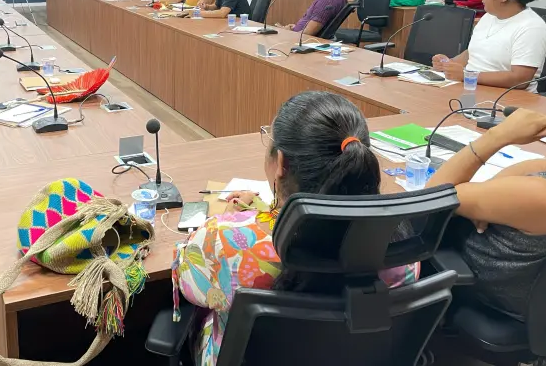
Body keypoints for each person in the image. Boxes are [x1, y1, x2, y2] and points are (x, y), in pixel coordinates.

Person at [173, 92, 419, 366]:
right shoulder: (402, 245)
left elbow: (187, 282)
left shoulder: (224, 241)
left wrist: (233, 221)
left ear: (281, 163)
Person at [426, 107, 546, 321]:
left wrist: (499, 134)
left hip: (482, 293)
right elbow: (495, 186)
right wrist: (484, 201)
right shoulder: (540, 176)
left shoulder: (539, 194)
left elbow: (432, 198)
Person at [432, 0, 546, 91]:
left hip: (508, 97)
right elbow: (475, 52)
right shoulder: (489, 16)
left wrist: (467, 75)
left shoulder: (532, 27)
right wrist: (448, 64)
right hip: (472, 87)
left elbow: (520, 80)